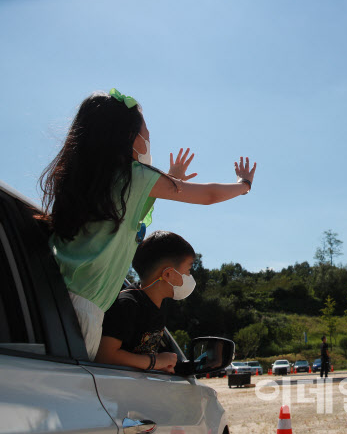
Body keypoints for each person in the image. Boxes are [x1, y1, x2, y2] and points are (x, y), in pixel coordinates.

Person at [39, 88, 256, 360]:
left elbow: (131, 211)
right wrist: (243, 185)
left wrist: (168, 180)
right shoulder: (133, 177)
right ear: (128, 139)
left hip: (47, 301)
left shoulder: (82, 183)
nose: (148, 143)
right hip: (80, 317)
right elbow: (208, 195)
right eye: (147, 137)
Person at [95, 231, 196, 372]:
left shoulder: (161, 303)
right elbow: (105, 357)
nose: (190, 276)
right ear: (168, 274)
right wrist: (155, 362)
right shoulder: (127, 305)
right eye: (188, 270)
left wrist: (163, 366)